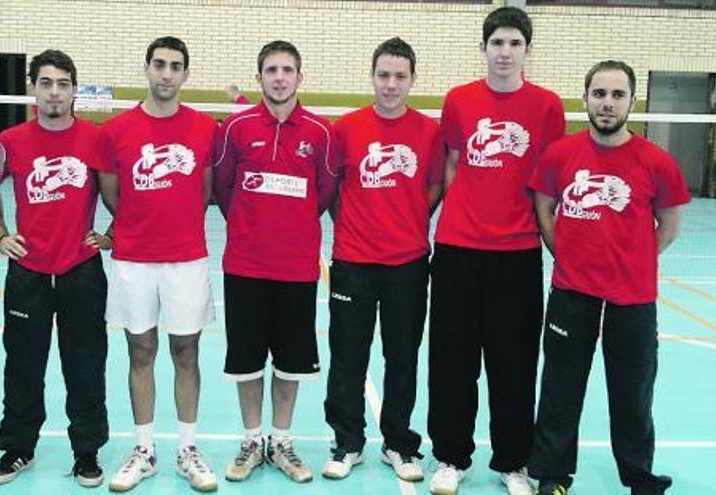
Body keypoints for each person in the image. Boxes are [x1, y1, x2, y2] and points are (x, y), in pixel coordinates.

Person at [527, 60, 687, 495]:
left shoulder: (656, 162)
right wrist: (569, 254)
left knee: (632, 394)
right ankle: (553, 476)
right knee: (561, 388)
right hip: (571, 294)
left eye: (617, 95)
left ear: (633, 102)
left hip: (632, 300)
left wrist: (634, 261)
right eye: (599, 94)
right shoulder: (560, 155)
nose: (607, 103)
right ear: (586, 99)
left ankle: (639, 477)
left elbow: (670, 223)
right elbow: (544, 209)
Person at [427, 7, 566, 495]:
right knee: (452, 360)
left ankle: (512, 460)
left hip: (518, 253)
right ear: (483, 48)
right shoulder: (460, 100)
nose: (504, 53)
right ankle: (450, 456)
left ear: (527, 50)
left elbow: (549, 184)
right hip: (458, 250)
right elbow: (451, 164)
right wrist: (452, 220)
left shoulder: (548, 106)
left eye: (514, 44)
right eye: (497, 43)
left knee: (514, 362)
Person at [213, 39, 338, 484]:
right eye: (271, 70)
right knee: (247, 361)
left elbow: (323, 194)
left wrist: (293, 226)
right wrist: (250, 225)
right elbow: (224, 189)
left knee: (290, 363)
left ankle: (281, 441)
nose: (280, 77)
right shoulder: (235, 128)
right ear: (260, 76)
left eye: (288, 70)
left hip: (297, 268)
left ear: (299, 78)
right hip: (245, 266)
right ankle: (252, 440)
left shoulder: (321, 133)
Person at [98, 36, 219, 493]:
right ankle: (144, 450)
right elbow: (113, 196)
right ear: (146, 69)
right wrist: (133, 227)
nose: (167, 74)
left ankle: (187, 448)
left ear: (186, 74)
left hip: (186, 260)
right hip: (133, 260)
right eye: (159, 65)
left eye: (175, 67)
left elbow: (206, 192)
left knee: (186, 353)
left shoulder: (206, 129)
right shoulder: (117, 131)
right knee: (140, 352)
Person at [321, 37, 444, 482]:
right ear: (372, 77)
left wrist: (409, 220)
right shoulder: (346, 128)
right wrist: (357, 224)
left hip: (408, 264)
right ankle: (347, 441)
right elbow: (333, 191)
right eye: (383, 75)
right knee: (348, 357)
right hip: (353, 262)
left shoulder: (430, 132)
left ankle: (398, 443)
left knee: (403, 357)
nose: (391, 85)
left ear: (413, 80)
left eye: (400, 76)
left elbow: (434, 188)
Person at [0, 49, 109, 488]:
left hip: (81, 269)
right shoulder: (13, 141)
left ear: (74, 90)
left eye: (62, 84)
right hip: (29, 270)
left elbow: (120, 192)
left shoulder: (96, 139)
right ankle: (18, 448)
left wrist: (110, 233)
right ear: (33, 88)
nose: (54, 92)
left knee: (86, 365)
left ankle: (87, 452)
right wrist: (0, 233)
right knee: (22, 364)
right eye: (46, 83)